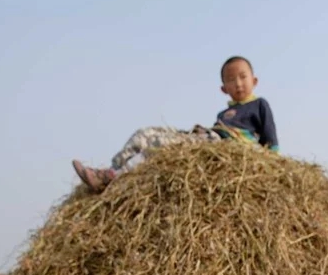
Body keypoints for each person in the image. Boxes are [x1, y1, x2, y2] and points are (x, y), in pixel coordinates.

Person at [72, 56, 279, 192]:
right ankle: (110, 173)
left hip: (225, 146)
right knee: (144, 135)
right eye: (231, 79)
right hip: (208, 137)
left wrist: (273, 169)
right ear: (223, 88)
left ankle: (113, 180)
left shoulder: (259, 105)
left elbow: (271, 141)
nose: (238, 83)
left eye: (243, 77)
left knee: (158, 147)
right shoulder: (223, 113)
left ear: (255, 80)